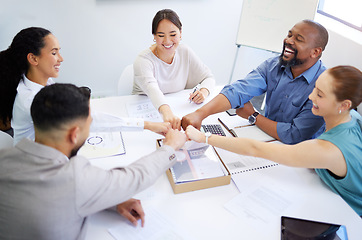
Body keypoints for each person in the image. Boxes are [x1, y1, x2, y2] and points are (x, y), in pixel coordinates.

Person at [0, 83, 187, 240]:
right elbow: (134, 177)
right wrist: (170, 147)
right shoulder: (74, 177)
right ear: (74, 134)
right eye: (90, 123)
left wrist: (107, 200)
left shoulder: (4, 157)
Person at [186, 65, 362, 216]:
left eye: (320, 95)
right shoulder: (352, 117)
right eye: (314, 89)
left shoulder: (328, 150)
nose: (311, 97)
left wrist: (204, 137)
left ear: (344, 105)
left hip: (348, 215)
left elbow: (256, 149)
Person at [0, 27, 170, 145]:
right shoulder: (30, 99)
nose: (61, 58)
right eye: (54, 53)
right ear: (33, 59)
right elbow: (87, 121)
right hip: (36, 169)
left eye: (59, 51)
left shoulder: (39, 82)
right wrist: (148, 125)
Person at [182, 19, 329, 144]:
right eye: (289, 35)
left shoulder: (325, 86)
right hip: (267, 138)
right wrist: (200, 114)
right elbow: (239, 90)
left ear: (315, 52)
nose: (288, 41)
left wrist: (253, 117)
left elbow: (295, 135)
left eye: (298, 39)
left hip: (300, 156)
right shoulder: (274, 65)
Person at [133, 9, 215, 130]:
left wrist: (203, 91)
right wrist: (167, 113)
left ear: (180, 33)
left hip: (177, 110)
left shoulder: (185, 52)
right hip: (147, 114)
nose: (167, 41)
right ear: (154, 36)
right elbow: (153, 90)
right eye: (161, 35)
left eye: (173, 35)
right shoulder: (143, 61)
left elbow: (208, 77)